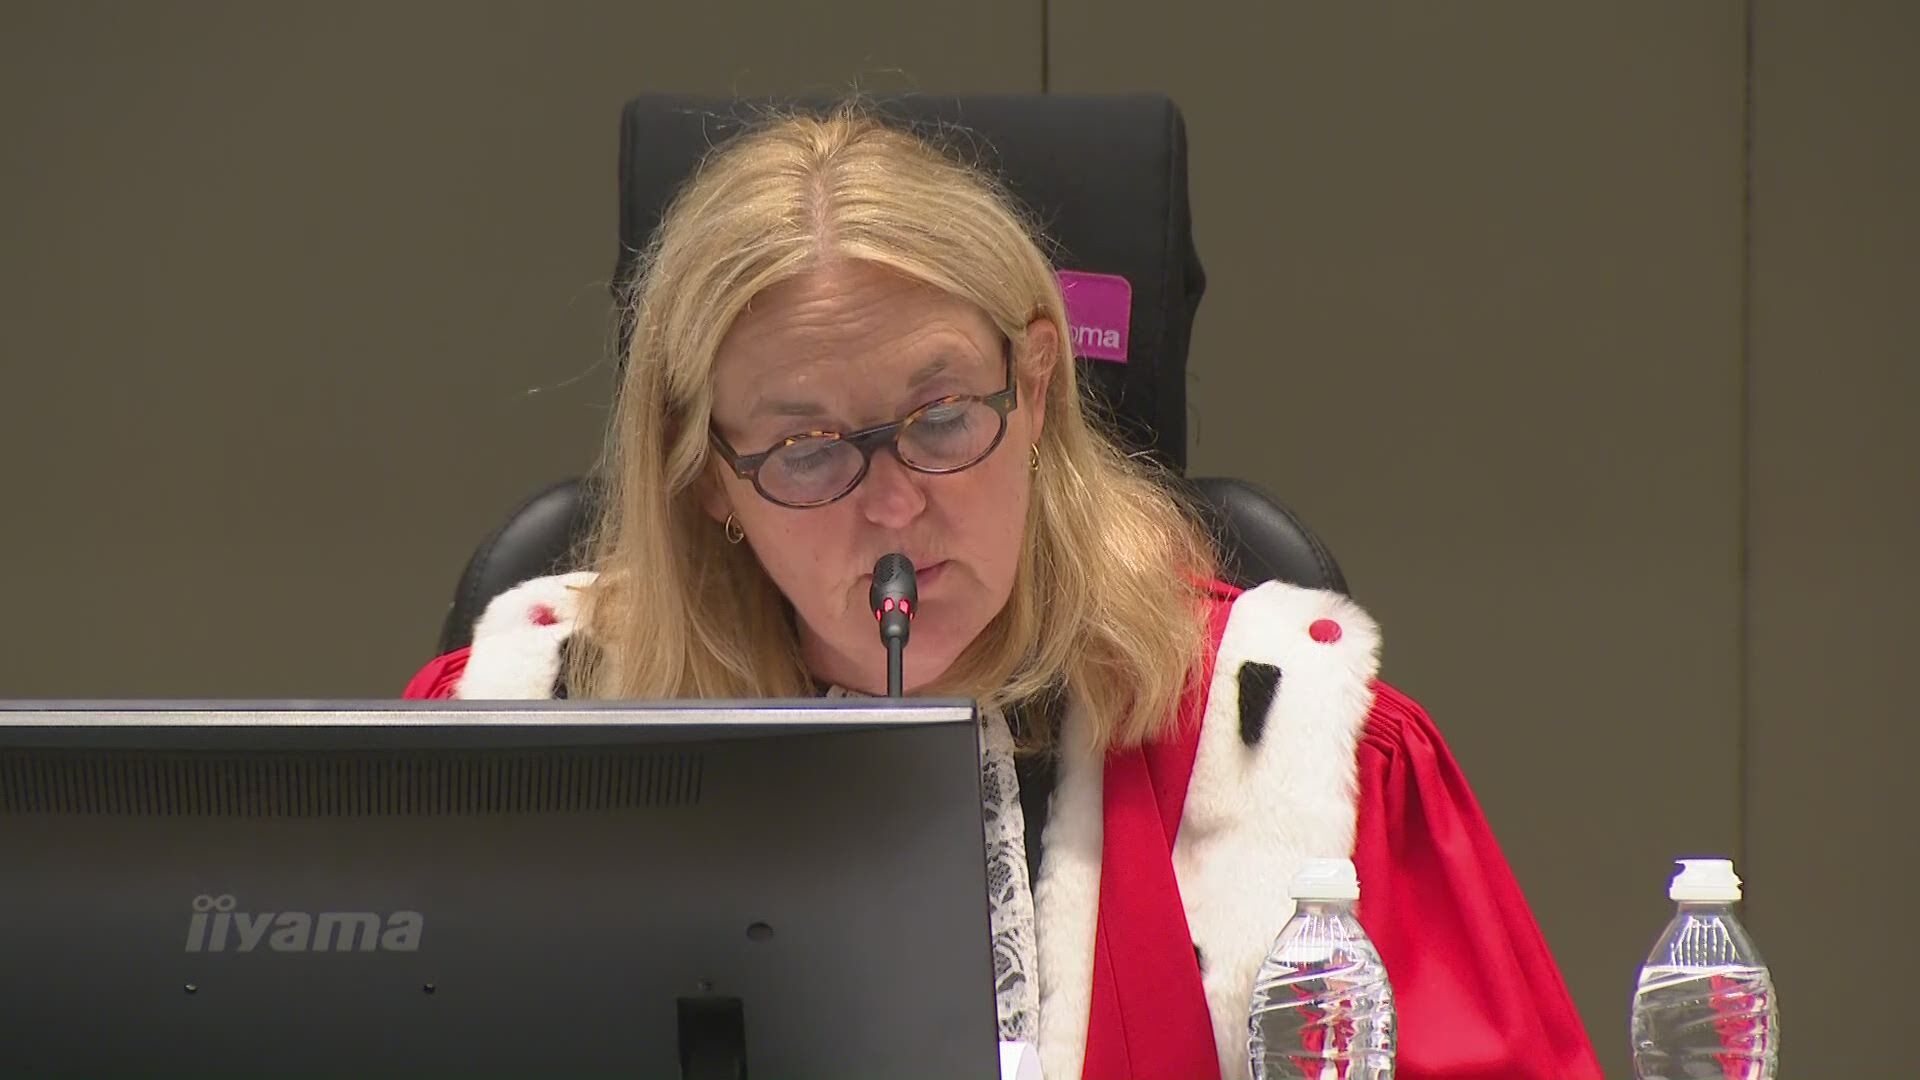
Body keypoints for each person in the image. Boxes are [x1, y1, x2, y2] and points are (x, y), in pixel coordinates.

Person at [404, 103, 1602, 1080]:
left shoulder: (1289, 746)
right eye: (807, 451)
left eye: (940, 418)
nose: (893, 508)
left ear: (1033, 389)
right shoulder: (516, 737)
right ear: (711, 476)